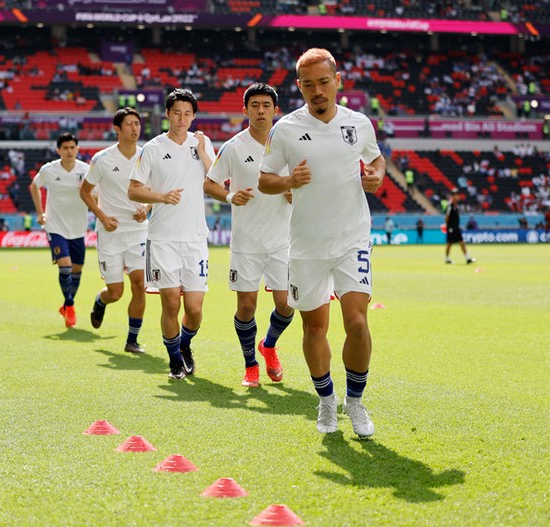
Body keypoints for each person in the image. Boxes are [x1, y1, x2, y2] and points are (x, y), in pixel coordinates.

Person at [258, 48, 385, 438]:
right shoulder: (286, 130)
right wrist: (288, 182)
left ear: (338, 81)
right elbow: (265, 180)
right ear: (299, 86)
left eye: (323, 82)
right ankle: (327, 401)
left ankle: (356, 401)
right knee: (314, 328)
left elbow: (376, 160)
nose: (317, 90)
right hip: (307, 245)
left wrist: (376, 176)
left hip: (352, 239)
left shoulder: (359, 123)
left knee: (358, 323)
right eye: (308, 84)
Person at [204, 83, 294, 388]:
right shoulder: (233, 146)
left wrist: (295, 192)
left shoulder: (290, 144)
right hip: (246, 243)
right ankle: (250, 365)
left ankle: (268, 345)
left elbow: (302, 182)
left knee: (287, 304)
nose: (260, 110)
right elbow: (210, 183)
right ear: (245, 111)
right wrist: (230, 196)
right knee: (246, 308)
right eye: (254, 105)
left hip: (283, 240)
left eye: (266, 105)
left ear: (275, 110)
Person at [129, 88, 216, 380]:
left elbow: (216, 180)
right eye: (177, 112)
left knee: (194, 309)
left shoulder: (202, 143)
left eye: (188, 113)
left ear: (194, 116)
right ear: (167, 114)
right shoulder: (152, 148)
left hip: (194, 238)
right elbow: (134, 189)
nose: (182, 118)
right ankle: (174, 359)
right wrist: (161, 196)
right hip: (163, 238)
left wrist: (203, 153)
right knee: (170, 302)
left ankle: (184, 345)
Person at [79, 108, 149, 354]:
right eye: (129, 124)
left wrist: (147, 207)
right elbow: (85, 192)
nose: (135, 128)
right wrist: (102, 216)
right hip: (110, 232)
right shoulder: (102, 159)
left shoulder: (146, 156)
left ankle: (132, 340)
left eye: (137, 123)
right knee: (116, 292)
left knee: (139, 285)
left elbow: (155, 189)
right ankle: (101, 301)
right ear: (117, 129)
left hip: (139, 231)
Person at [28, 132, 90, 328]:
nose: (69, 151)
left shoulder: (86, 170)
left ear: (77, 149)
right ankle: (70, 305)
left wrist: (86, 191)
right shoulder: (49, 170)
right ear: (58, 150)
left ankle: (66, 304)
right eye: (65, 148)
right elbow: (34, 186)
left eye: (72, 147)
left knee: (77, 270)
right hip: (55, 226)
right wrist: (40, 213)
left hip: (78, 227)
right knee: (65, 266)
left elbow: (96, 196)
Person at [444, 189, 476, 264]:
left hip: (456, 227)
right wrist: (448, 226)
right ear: (453, 196)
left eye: (458, 195)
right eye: (456, 195)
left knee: (462, 242)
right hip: (451, 227)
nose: (457, 196)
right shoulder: (450, 206)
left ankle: (467, 258)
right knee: (449, 243)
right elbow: (447, 217)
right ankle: (447, 259)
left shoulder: (456, 206)